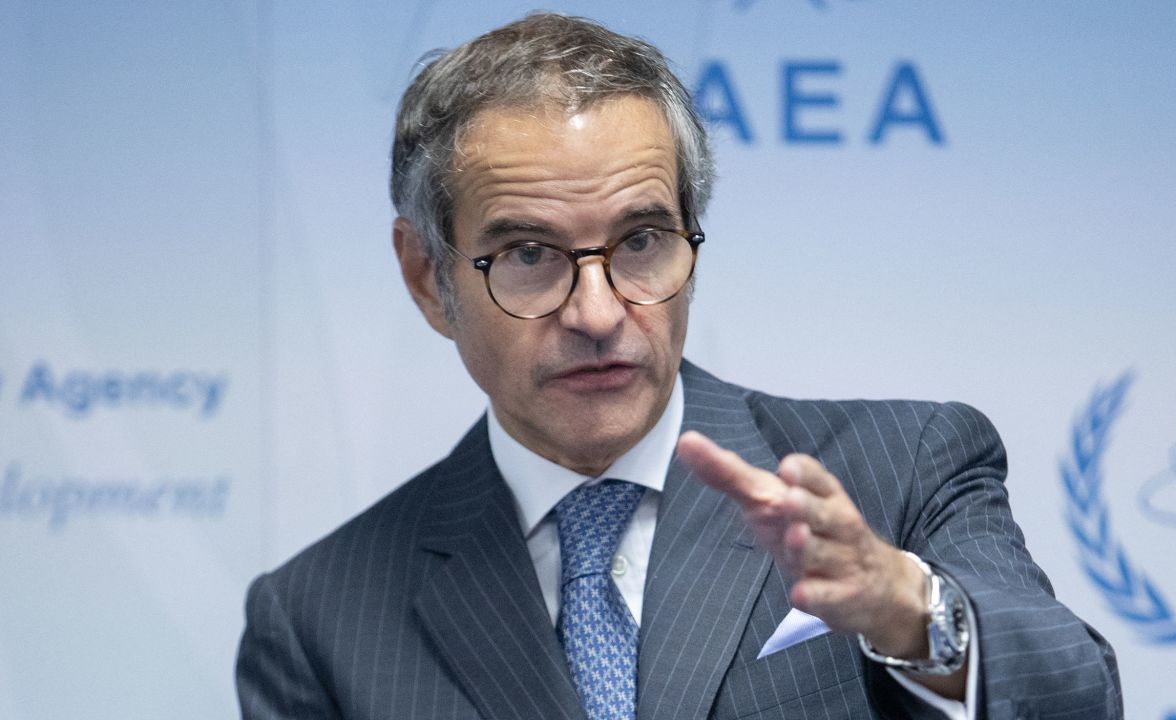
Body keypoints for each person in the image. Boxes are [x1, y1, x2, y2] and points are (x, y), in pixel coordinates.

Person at [236, 12, 1121, 720]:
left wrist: (906, 610)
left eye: (643, 240)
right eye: (531, 254)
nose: (596, 313)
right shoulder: (319, 617)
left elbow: (1077, 700)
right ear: (429, 278)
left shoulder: (903, 466)